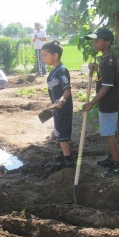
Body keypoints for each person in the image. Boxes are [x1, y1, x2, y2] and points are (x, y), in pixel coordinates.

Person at [83, 28, 119, 178]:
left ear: (107, 42)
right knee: (109, 131)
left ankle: (118, 164)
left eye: (98, 40)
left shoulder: (107, 62)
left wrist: (91, 103)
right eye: (93, 40)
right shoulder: (105, 59)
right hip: (108, 103)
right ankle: (111, 158)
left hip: (108, 103)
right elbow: (105, 78)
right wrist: (96, 70)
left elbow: (107, 87)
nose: (94, 43)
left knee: (108, 133)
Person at [42, 40, 74, 168]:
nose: (43, 58)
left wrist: (62, 100)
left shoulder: (62, 70)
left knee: (63, 132)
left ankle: (68, 158)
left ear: (55, 56)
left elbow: (67, 89)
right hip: (57, 108)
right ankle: (64, 153)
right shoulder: (52, 72)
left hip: (63, 108)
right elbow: (55, 92)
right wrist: (52, 103)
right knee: (59, 131)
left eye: (45, 55)